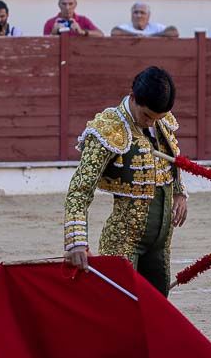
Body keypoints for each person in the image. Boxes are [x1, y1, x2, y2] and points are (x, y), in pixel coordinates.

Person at [61, 65, 189, 297]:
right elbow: (79, 190)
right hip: (123, 242)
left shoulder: (160, 121)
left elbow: (172, 158)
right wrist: (76, 241)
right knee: (119, 309)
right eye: (147, 116)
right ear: (133, 98)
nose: (151, 123)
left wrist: (179, 190)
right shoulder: (108, 129)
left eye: (157, 118)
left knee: (157, 306)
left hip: (161, 242)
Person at [111, 1, 179, 37]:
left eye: (142, 13)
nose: (139, 15)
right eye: (136, 12)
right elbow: (114, 32)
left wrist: (150, 36)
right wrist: (135, 35)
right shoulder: (125, 27)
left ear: (148, 16)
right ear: (131, 15)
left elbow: (173, 32)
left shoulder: (156, 27)